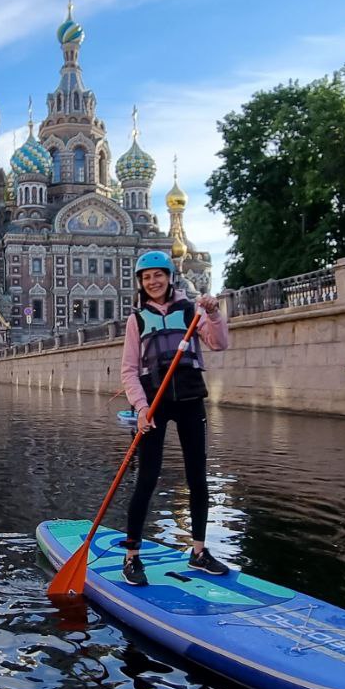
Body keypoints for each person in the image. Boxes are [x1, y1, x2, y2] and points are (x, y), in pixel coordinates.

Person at [119, 251, 229, 586]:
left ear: (170, 277)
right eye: (147, 277)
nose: (153, 282)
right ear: (140, 282)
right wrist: (140, 408)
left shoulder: (192, 310)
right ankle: (132, 556)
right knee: (147, 479)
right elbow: (129, 371)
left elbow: (219, 343)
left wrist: (213, 314)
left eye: (159, 275)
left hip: (191, 399)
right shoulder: (137, 319)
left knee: (197, 477)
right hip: (154, 405)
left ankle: (198, 552)